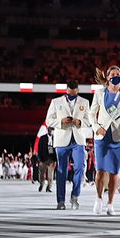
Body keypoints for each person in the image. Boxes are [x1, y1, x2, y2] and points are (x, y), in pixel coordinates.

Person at [90, 65, 120, 215]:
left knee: (115, 171)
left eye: (118, 74)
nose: (116, 76)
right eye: (113, 74)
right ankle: (98, 198)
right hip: (102, 135)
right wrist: (97, 127)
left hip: (119, 136)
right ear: (107, 77)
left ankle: (110, 203)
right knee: (100, 170)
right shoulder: (99, 93)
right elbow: (91, 113)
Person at [44, 81, 92, 210]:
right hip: (62, 139)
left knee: (80, 167)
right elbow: (48, 120)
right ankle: (60, 201)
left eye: (74, 93)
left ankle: (75, 196)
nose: (72, 95)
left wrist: (80, 121)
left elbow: (90, 120)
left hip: (78, 139)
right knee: (61, 171)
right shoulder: (56, 102)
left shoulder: (84, 102)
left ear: (77, 90)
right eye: (69, 93)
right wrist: (60, 121)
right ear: (66, 91)